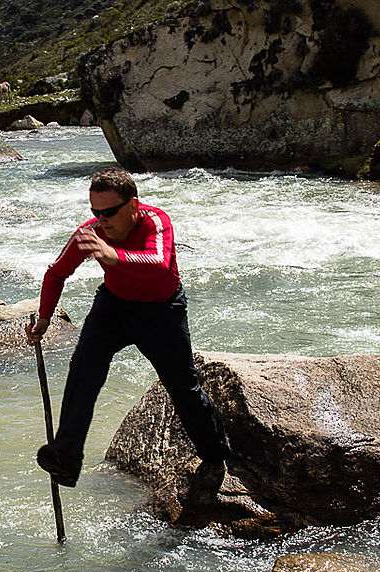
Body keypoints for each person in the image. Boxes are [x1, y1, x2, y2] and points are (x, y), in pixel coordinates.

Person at [25, 167, 231, 488]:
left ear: (133, 206)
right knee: (83, 369)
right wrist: (44, 318)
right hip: (114, 307)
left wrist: (113, 255)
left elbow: (160, 262)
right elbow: (56, 273)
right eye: (95, 211)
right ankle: (66, 458)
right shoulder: (90, 233)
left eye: (109, 211)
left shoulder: (156, 221)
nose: (101, 219)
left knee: (183, 389)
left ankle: (216, 454)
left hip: (162, 311)